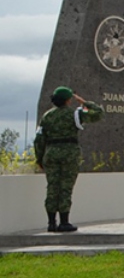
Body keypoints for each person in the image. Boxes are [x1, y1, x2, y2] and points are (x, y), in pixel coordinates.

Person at [33, 87, 103, 232]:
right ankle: (64, 222)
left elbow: (39, 140)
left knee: (52, 187)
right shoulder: (75, 114)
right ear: (68, 100)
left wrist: (40, 158)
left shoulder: (47, 116)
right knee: (65, 187)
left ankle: (51, 223)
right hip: (69, 154)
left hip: (51, 153)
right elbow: (98, 113)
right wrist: (85, 102)